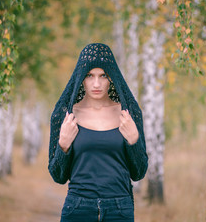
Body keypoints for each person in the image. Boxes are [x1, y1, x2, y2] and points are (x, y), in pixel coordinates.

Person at [48, 43, 148, 222]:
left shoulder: (129, 114)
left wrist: (134, 141)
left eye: (103, 76)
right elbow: (58, 176)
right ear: (80, 78)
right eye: (89, 76)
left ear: (112, 78)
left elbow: (138, 172)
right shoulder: (65, 116)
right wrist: (63, 145)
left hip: (119, 210)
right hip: (77, 208)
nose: (96, 83)